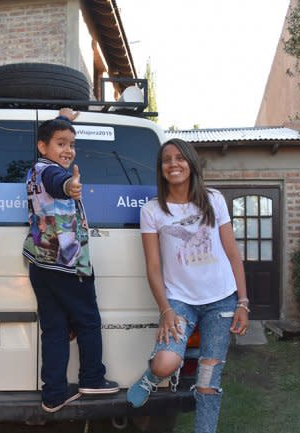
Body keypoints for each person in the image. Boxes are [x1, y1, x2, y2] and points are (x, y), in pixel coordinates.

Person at [126, 138, 249, 433]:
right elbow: (153, 266)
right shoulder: (152, 210)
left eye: (180, 158)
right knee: (166, 362)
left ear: (191, 164)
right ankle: (150, 378)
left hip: (221, 300)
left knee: (207, 380)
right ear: (161, 168)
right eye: (167, 159)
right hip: (179, 301)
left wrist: (242, 302)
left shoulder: (213, 200)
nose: (173, 164)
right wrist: (166, 309)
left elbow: (233, 253)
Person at [22, 108, 119, 413]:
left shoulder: (34, 170)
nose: (68, 150)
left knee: (55, 329)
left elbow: (54, 167)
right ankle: (92, 377)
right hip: (66, 263)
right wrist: (70, 187)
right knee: (88, 320)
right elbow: (60, 182)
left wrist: (64, 121)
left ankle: (53, 394)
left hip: (42, 264)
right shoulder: (51, 173)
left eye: (71, 144)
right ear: (42, 146)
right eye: (61, 143)